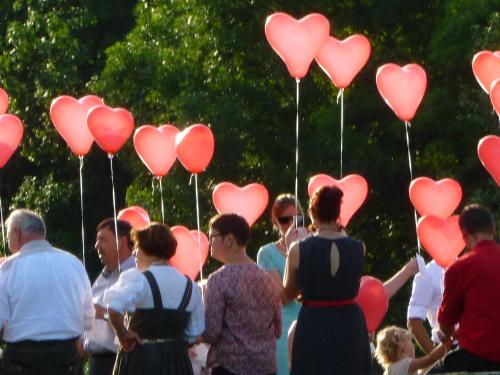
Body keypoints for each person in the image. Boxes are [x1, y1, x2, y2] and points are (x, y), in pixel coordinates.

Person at [284, 185, 372, 374]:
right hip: (350, 323)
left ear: (312, 213)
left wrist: (291, 248)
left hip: (314, 322)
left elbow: (289, 292)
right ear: (337, 213)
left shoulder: (298, 249)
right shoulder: (359, 247)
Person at [0, 209, 94, 374]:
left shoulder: (8, 269)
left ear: (17, 233)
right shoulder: (74, 264)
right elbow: (88, 321)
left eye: (8, 237)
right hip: (67, 359)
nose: (8, 242)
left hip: (22, 362)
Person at [105, 222, 205, 375]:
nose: (134, 253)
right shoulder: (190, 286)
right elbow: (195, 334)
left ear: (146, 248)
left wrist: (123, 334)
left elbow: (113, 308)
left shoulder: (139, 280)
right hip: (177, 362)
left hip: (141, 361)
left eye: (136, 247)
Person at [204, 213, 281, 375]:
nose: (209, 242)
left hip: (231, 366)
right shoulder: (267, 278)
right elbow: (278, 329)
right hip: (265, 365)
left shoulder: (218, 279)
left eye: (212, 236)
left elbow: (211, 332)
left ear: (230, 239)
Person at [437, 204, 500, 371]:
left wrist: (449, 333)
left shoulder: (460, 267)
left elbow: (446, 321)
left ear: (463, 234)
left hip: (477, 356)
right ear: (493, 228)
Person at [257, 194, 303, 375]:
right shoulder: (266, 253)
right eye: (285, 220)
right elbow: (283, 297)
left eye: (296, 219)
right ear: (276, 222)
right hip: (283, 328)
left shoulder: (314, 246)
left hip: (313, 322)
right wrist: (294, 252)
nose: (291, 225)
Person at [83, 219, 136, 375]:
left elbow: (137, 319)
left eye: (102, 240)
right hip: (97, 362)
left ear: (122, 242)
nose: (96, 245)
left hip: (122, 360)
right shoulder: (104, 275)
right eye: (96, 240)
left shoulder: (136, 274)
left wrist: (105, 313)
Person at [375, 326, 451, 375]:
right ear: (401, 345)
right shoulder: (406, 363)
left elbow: (422, 370)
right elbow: (431, 358)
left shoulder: (390, 369)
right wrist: (448, 340)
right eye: (410, 340)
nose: (413, 344)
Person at [407, 259, 444, 354]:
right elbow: (413, 321)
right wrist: (436, 358)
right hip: (449, 349)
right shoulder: (429, 273)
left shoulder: (478, 261)